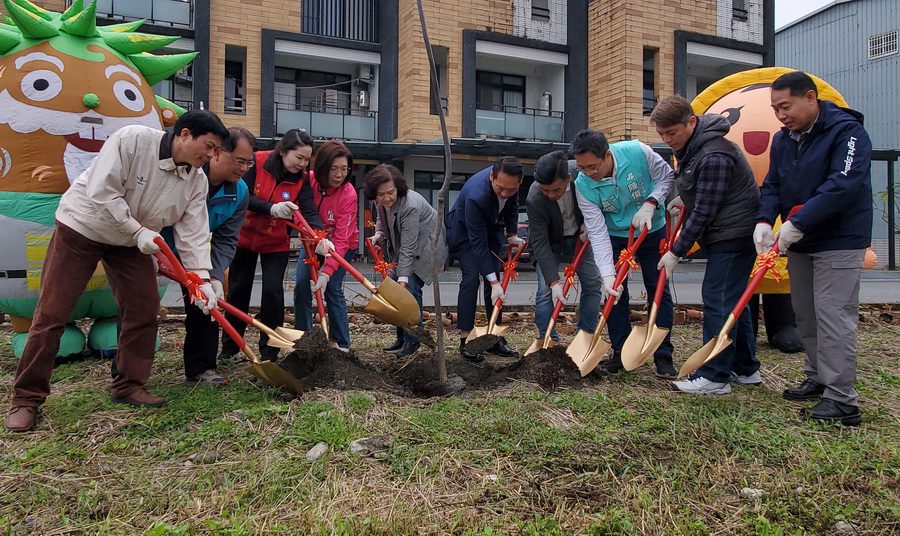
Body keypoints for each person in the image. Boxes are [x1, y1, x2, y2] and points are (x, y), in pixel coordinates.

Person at [4, 110, 229, 432]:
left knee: (143, 309)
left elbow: (193, 232)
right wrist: (136, 230)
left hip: (130, 241)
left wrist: (202, 280)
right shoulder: (133, 140)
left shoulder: (196, 180)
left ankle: (128, 384)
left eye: (214, 151)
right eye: (207, 147)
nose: (210, 156)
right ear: (184, 134)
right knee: (53, 313)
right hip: (82, 228)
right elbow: (102, 191)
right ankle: (26, 399)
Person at [754, 71, 872, 426]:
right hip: (802, 241)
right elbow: (773, 183)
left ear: (810, 97)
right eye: (775, 109)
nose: (780, 115)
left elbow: (842, 185)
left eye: (785, 106)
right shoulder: (784, 140)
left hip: (839, 238)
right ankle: (818, 376)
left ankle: (842, 400)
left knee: (834, 316)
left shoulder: (847, 132)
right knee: (805, 312)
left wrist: (797, 223)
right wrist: (764, 219)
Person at [651, 95, 760, 395]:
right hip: (730, 229)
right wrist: (681, 198)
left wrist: (676, 251)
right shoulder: (696, 148)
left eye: (671, 132)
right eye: (662, 134)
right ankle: (745, 367)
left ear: (692, 122)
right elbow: (699, 196)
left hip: (732, 233)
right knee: (735, 302)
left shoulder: (713, 155)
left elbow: (704, 211)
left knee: (718, 298)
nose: (667, 139)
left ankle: (715, 374)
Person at [571, 129, 678, 378]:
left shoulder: (638, 152)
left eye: (592, 167)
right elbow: (596, 231)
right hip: (616, 235)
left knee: (658, 288)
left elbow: (666, 177)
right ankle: (620, 350)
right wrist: (607, 275)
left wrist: (651, 203)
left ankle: (663, 353)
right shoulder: (582, 185)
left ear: (607, 155)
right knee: (615, 294)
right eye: (582, 168)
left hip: (652, 227)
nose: (588, 173)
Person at [220, 129, 330, 361]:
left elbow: (309, 209)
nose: (302, 164)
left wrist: (320, 235)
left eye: (306, 160)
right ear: (283, 151)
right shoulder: (257, 162)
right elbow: (244, 196)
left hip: (276, 241)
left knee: (273, 292)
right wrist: (271, 208)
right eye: (299, 158)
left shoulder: (301, 178)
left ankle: (270, 350)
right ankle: (230, 348)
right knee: (239, 289)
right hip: (244, 236)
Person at [162, 127, 255, 386]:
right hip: (157, 247)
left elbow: (227, 238)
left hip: (197, 255)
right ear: (216, 153)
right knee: (141, 307)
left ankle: (201, 368)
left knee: (207, 303)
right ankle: (129, 376)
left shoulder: (240, 193)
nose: (245, 167)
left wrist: (213, 275)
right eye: (239, 160)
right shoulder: (186, 174)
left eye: (250, 162)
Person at [444, 156, 524, 362]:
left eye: (511, 189)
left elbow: (512, 205)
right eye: (501, 189)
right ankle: (466, 338)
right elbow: (477, 242)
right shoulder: (475, 195)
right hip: (464, 232)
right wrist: (494, 280)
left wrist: (511, 233)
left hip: (492, 229)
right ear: (491, 177)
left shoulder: (511, 184)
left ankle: (494, 335)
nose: (506, 193)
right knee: (471, 278)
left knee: (493, 283)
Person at [363, 164, 446, 358]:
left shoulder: (410, 206)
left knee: (409, 292)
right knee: (395, 294)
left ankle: (413, 340)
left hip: (426, 249)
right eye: (381, 194)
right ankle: (401, 337)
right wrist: (378, 234)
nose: (386, 198)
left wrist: (403, 279)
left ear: (398, 187)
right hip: (405, 250)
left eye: (390, 192)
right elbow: (382, 219)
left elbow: (409, 247)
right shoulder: (381, 201)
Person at [526, 151, 605, 350]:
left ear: (568, 179)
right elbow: (540, 242)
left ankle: (585, 335)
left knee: (593, 282)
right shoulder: (535, 197)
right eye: (546, 191)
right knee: (545, 291)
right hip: (551, 244)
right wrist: (554, 282)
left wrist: (591, 223)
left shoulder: (583, 177)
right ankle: (548, 340)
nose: (551, 195)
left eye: (556, 189)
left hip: (580, 238)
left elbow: (603, 200)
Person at [293, 141, 357, 352]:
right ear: (322, 167)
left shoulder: (348, 194)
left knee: (331, 287)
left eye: (344, 169)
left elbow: (342, 239)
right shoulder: (308, 182)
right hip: (311, 243)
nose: (339, 175)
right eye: (334, 169)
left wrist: (327, 271)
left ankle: (341, 343)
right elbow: (299, 212)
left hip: (342, 245)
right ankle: (305, 337)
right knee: (302, 284)